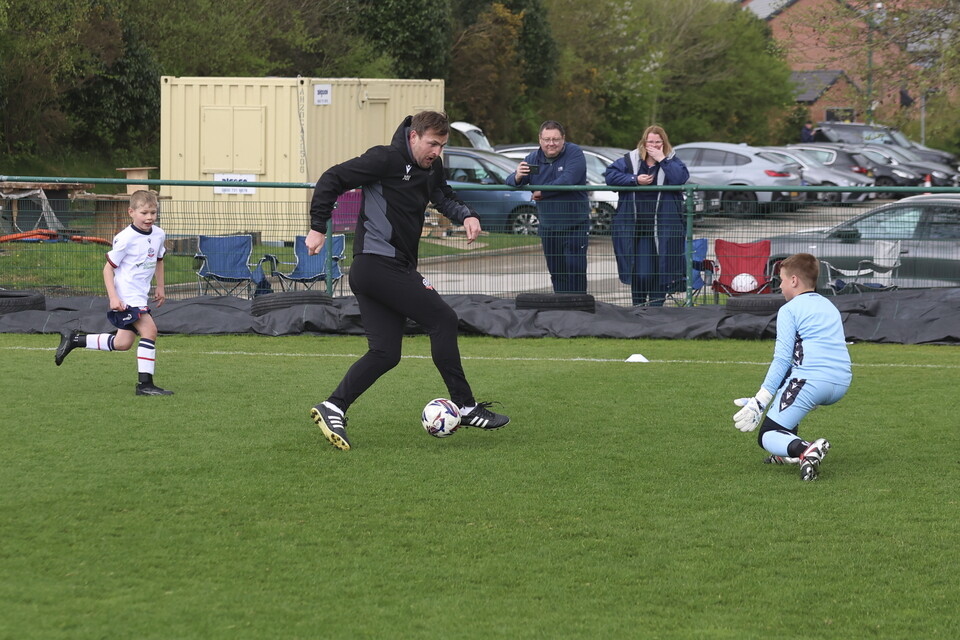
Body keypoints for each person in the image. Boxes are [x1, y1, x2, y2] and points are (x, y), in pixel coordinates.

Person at [305, 110, 509, 451]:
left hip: (386, 270)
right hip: (377, 265)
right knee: (442, 318)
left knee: (385, 353)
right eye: (432, 144)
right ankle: (466, 405)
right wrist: (317, 227)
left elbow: (442, 195)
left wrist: (468, 215)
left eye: (442, 146)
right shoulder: (384, 159)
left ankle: (333, 406)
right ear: (413, 137)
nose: (436, 152)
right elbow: (332, 178)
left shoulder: (432, 167)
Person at [731, 253, 852, 481]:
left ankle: (805, 450)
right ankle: (784, 453)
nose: (781, 286)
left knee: (766, 435)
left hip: (812, 382)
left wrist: (760, 401)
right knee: (790, 385)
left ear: (794, 281)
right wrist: (768, 397)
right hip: (842, 381)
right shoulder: (830, 306)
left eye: (782, 281)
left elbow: (782, 359)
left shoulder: (789, 309)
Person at [54, 190, 173, 396]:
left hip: (140, 294)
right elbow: (108, 269)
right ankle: (144, 385)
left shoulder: (159, 234)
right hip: (127, 295)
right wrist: (113, 298)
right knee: (149, 331)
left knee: (122, 343)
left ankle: (74, 340)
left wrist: (160, 287)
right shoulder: (125, 238)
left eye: (153, 213)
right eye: (144, 213)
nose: (149, 217)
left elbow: (159, 260)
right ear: (131, 212)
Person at [603, 125, 689, 306]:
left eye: (658, 142)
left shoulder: (671, 160)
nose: (654, 145)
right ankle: (639, 308)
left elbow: (680, 178)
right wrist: (634, 180)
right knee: (641, 273)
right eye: (651, 141)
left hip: (664, 228)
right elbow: (610, 175)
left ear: (664, 143)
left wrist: (662, 159)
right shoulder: (631, 160)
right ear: (644, 142)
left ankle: (655, 311)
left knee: (662, 272)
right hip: (637, 228)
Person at [506, 120, 590, 294]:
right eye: (547, 139)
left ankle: (579, 309)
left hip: (575, 225)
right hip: (549, 227)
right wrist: (517, 176)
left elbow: (568, 180)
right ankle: (561, 308)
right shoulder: (533, 158)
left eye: (555, 139)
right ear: (540, 140)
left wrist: (542, 192)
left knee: (576, 270)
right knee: (557, 272)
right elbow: (511, 182)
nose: (551, 143)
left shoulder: (574, 153)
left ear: (563, 139)